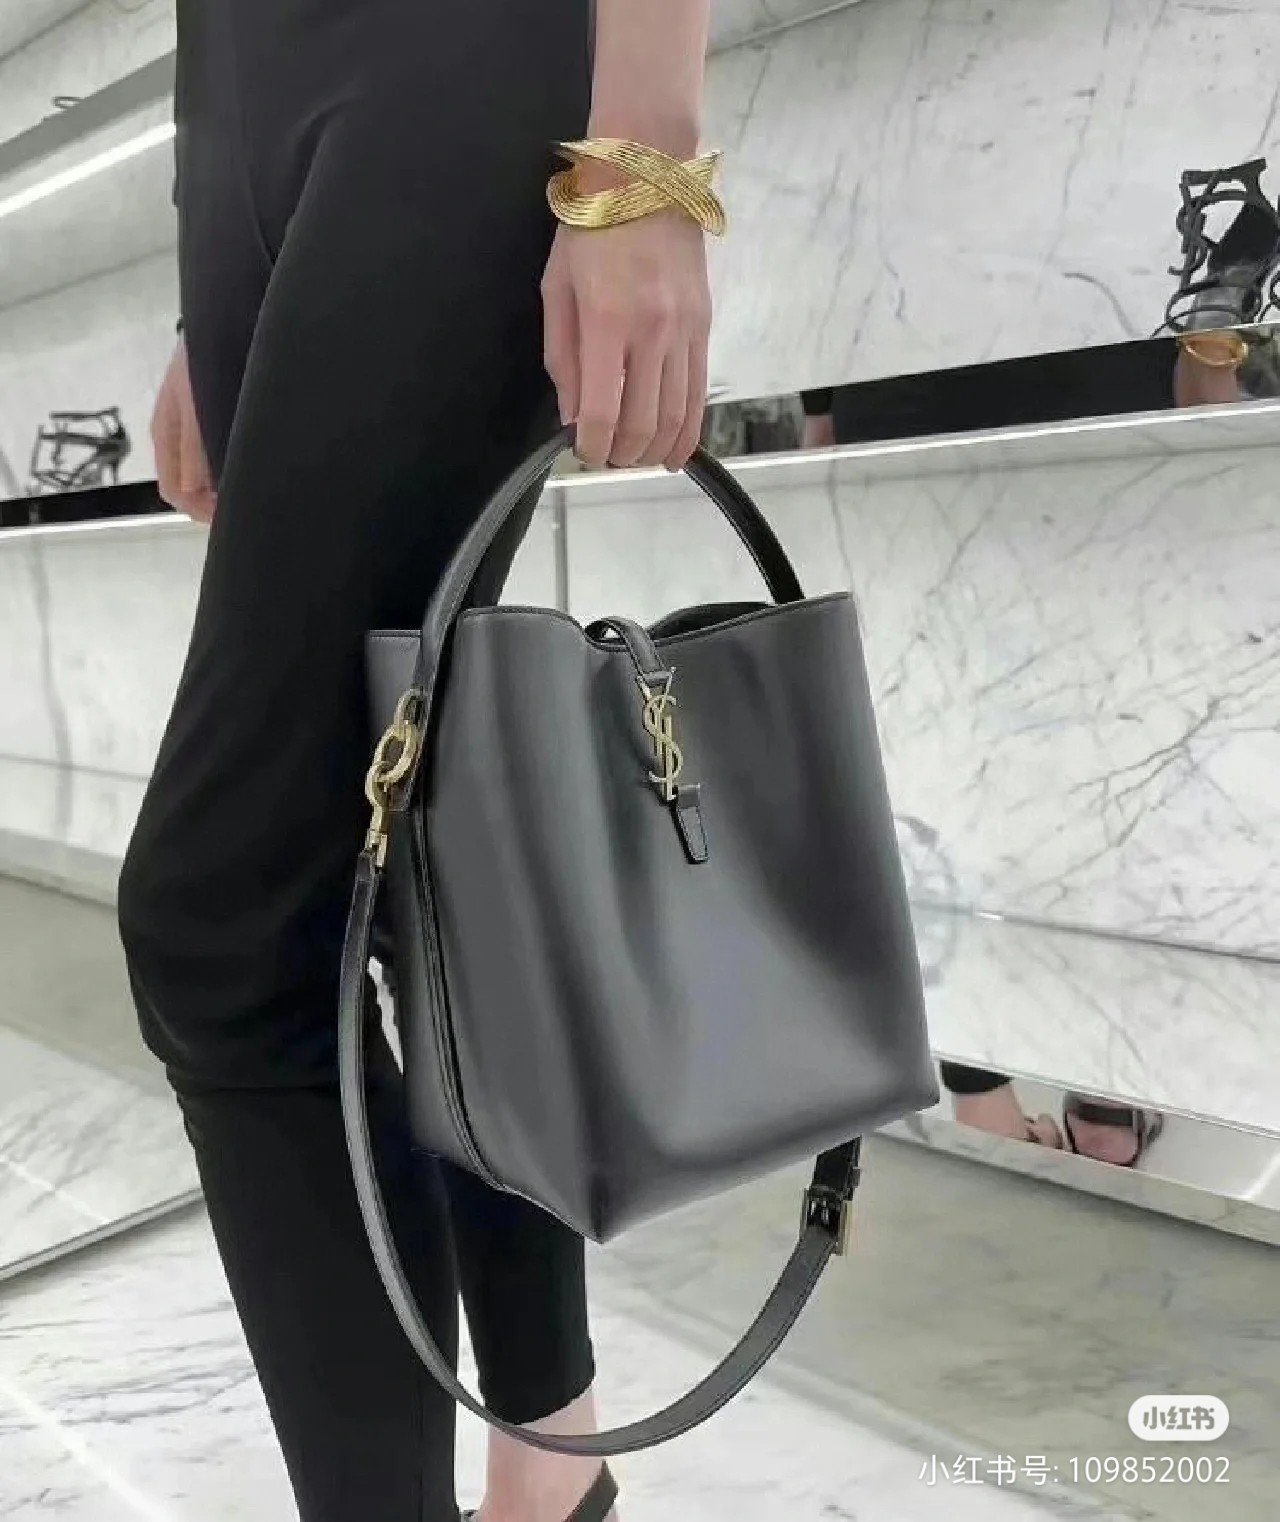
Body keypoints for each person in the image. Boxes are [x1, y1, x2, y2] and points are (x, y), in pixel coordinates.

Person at [116, 3, 716, 1519]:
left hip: (454, 64)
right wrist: (216, 292)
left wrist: (646, 149)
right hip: (234, 108)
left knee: (222, 919)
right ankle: (552, 1453)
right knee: (417, 847)